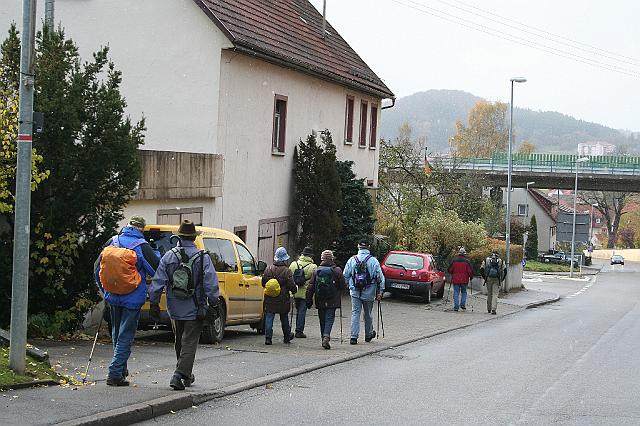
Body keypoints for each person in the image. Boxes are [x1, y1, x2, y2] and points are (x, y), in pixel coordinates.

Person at [149, 220, 220, 390]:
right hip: (195, 307)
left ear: (179, 237)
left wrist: (154, 303)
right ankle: (179, 374)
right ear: (194, 238)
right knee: (190, 342)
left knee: (179, 340)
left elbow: (158, 281)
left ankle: (185, 375)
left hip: (174, 306)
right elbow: (211, 283)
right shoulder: (203, 258)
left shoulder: (169, 256)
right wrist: (215, 303)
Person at [94, 216, 159, 386]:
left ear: (127, 227)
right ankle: (115, 373)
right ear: (141, 230)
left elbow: (97, 269)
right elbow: (156, 270)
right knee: (125, 335)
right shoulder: (142, 246)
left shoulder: (112, 241)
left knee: (116, 332)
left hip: (113, 295)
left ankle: (121, 370)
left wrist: (105, 290)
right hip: (132, 297)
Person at [343, 240, 385, 345]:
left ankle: (353, 337)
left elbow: (345, 275)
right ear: (368, 247)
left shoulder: (352, 260)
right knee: (368, 313)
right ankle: (368, 334)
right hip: (369, 292)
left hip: (355, 291)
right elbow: (380, 277)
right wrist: (380, 291)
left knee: (355, 313)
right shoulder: (373, 261)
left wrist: (348, 285)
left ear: (358, 247)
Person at [305, 250, 347, 349]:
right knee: (329, 318)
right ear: (332, 258)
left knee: (322, 318)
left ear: (322, 259)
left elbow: (310, 287)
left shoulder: (317, 271)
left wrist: (308, 300)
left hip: (320, 298)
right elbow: (342, 286)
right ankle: (326, 336)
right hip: (332, 298)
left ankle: (323, 337)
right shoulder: (337, 270)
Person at [262, 247, 297, 345]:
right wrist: (294, 290)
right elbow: (291, 285)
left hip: (270, 297)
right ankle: (287, 337)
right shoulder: (287, 271)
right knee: (284, 317)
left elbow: (263, 283)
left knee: (269, 316)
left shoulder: (268, 269)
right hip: (283, 298)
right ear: (284, 259)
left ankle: (268, 338)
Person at [289, 246, 317, 338]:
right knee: (302, 312)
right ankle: (299, 331)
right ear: (310, 256)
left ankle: (291, 329)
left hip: (294, 291)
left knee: (297, 311)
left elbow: (289, 277)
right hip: (305, 292)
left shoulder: (293, 264)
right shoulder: (313, 267)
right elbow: (314, 281)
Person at [447, 247, 474, 312]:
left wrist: (452, 273)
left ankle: (456, 306)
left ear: (458, 253)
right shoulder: (467, 262)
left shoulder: (454, 261)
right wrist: (471, 277)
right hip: (464, 280)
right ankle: (462, 304)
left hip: (456, 280)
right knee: (464, 292)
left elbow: (450, 270)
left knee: (456, 292)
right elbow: (470, 271)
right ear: (464, 254)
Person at [480, 250, 507, 315]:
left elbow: (481, 269)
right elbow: (505, 271)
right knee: (495, 294)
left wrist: (484, 277)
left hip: (489, 279)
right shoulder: (501, 261)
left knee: (489, 293)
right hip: (497, 279)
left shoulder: (486, 260)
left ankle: (488, 309)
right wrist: (502, 279)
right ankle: (493, 309)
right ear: (498, 254)